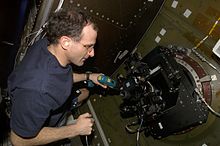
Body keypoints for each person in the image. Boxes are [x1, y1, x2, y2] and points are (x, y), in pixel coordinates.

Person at [8, 6, 106, 146]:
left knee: (85, 93)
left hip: (54, 106)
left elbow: (61, 76)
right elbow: (18, 140)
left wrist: (88, 76)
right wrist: (75, 129)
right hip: (41, 125)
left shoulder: (47, 45)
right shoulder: (37, 91)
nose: (92, 53)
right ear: (66, 42)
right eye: (87, 46)